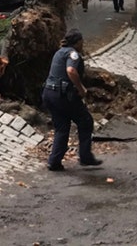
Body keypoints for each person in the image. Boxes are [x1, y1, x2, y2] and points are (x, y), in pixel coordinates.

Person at [42, 29, 103, 171]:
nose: (83, 45)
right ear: (77, 43)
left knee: (62, 128)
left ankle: (54, 161)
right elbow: (71, 71)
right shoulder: (73, 53)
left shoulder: (59, 52)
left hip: (49, 93)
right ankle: (85, 156)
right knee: (85, 121)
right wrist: (81, 88)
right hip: (63, 95)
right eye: (82, 42)